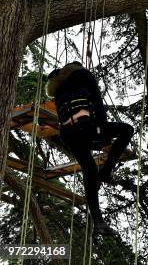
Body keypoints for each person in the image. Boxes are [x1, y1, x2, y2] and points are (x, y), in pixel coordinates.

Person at [46, 62, 134, 235]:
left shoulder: (57, 90)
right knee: (127, 130)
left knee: (89, 170)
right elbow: (98, 103)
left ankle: (98, 222)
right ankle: (107, 171)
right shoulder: (84, 75)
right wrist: (105, 136)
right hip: (88, 128)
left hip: (69, 135)